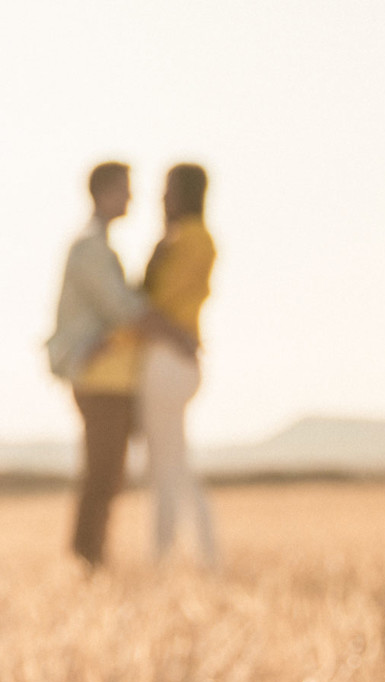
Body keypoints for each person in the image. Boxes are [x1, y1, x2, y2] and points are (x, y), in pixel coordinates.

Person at [45, 162, 194, 570]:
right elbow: (125, 310)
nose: (131, 197)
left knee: (109, 472)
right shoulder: (89, 248)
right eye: (125, 189)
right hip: (99, 379)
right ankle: (86, 559)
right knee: (103, 471)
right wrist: (177, 335)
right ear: (105, 192)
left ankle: (92, 558)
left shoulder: (100, 247)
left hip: (112, 378)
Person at [139, 163, 219, 568]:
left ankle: (174, 555)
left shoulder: (189, 239)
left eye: (167, 188)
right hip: (179, 359)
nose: (160, 197)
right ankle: (195, 554)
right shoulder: (194, 238)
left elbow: (156, 306)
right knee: (172, 461)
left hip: (168, 361)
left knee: (168, 465)